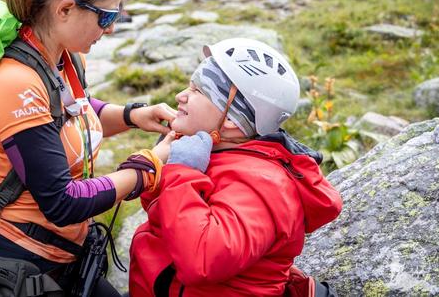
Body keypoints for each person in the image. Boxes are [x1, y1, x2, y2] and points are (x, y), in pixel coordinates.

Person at [0, 0, 177, 296]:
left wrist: (133, 115)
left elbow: (75, 114)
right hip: (20, 267)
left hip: (67, 257)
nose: (112, 28)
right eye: (106, 16)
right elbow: (62, 202)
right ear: (65, 9)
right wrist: (147, 168)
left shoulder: (63, 58)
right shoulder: (16, 84)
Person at [129, 38, 343, 296]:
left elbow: (202, 260)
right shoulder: (221, 154)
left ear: (231, 118)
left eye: (198, 91)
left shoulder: (261, 186)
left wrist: (182, 174)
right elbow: (166, 218)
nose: (180, 96)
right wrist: (164, 165)